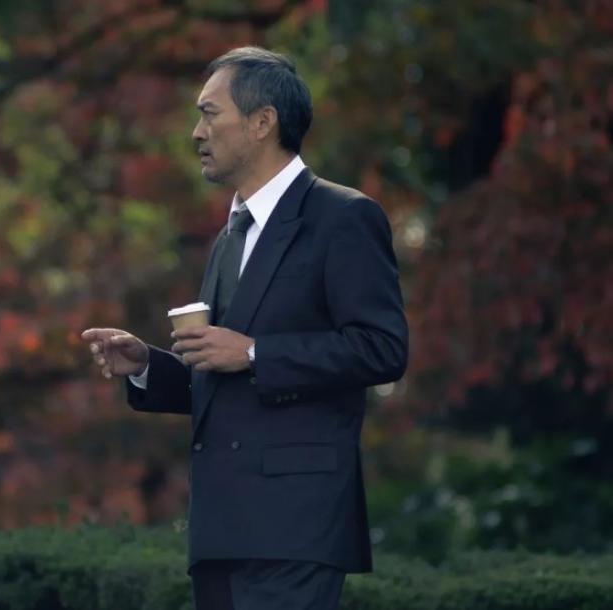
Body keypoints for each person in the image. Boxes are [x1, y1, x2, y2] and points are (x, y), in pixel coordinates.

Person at [81, 46, 407, 610]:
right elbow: (224, 375)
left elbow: (383, 349)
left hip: (296, 526)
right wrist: (150, 367)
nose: (196, 132)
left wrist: (256, 353)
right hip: (220, 532)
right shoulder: (230, 235)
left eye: (210, 114)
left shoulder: (344, 216)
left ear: (263, 122)